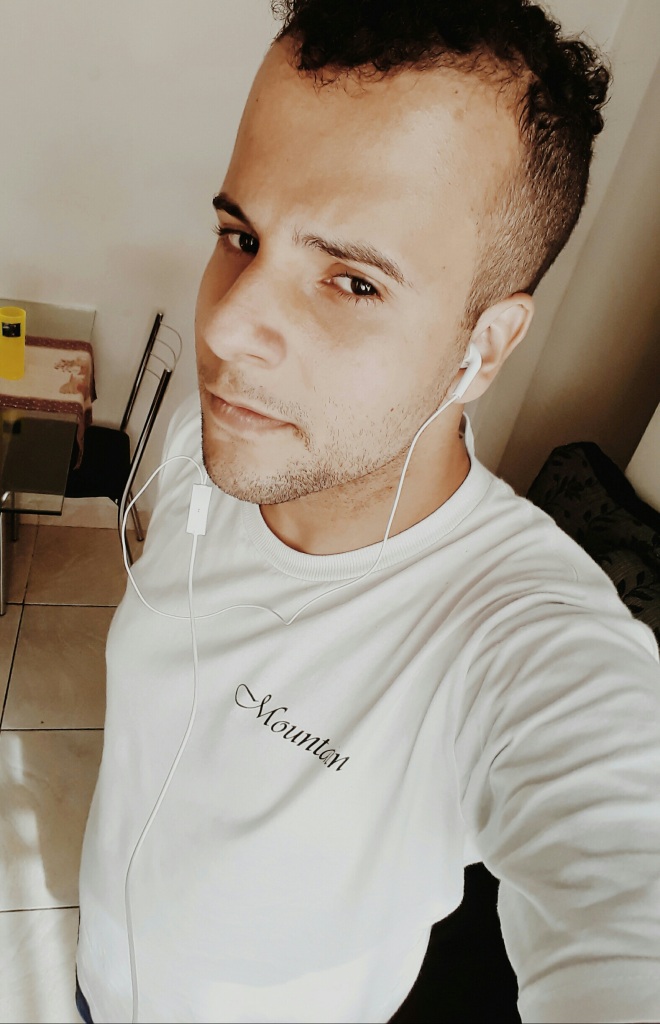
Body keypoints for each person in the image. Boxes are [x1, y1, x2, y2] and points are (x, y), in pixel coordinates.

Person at [76, 1, 660, 1022]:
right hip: (95, 979)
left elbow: (624, 902)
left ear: (484, 347)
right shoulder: (214, 442)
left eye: (351, 282)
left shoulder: (524, 642)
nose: (230, 327)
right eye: (241, 235)